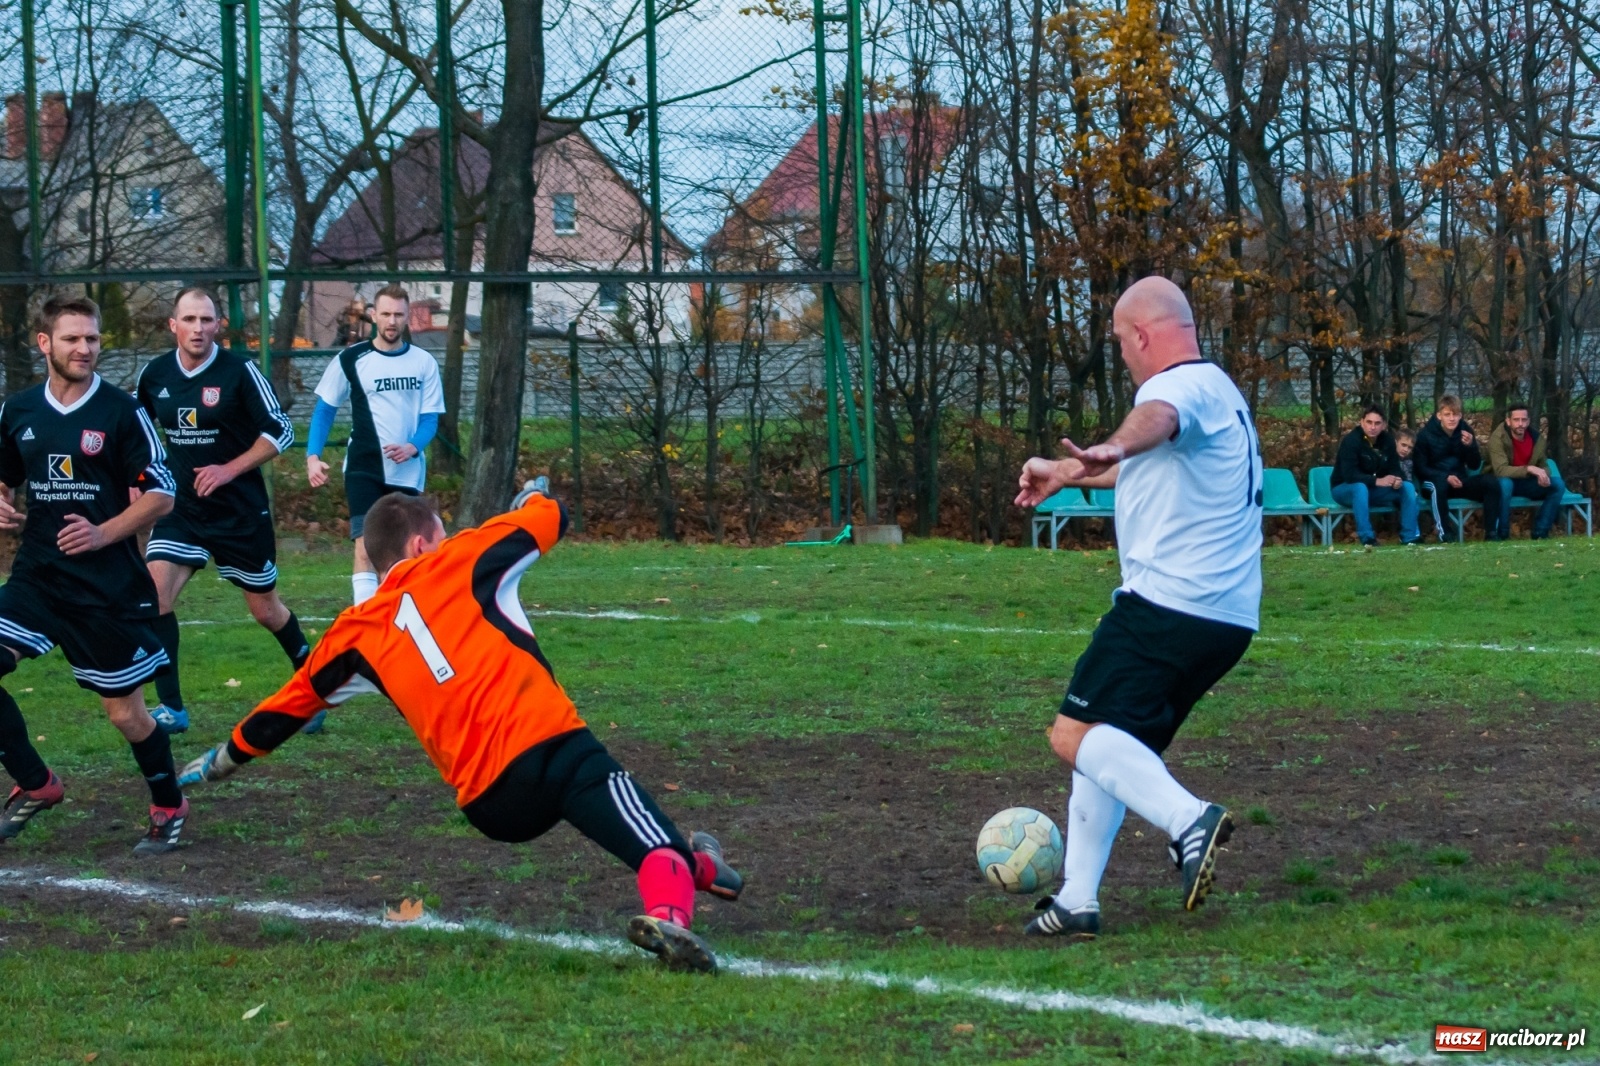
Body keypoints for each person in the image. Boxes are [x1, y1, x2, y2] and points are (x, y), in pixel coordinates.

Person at [178, 489, 742, 973]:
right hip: (549, 746)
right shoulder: (466, 557)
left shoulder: (352, 635)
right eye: (442, 536)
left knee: (641, 828)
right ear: (421, 545)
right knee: (654, 844)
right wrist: (531, 497)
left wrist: (224, 758)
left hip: (490, 804)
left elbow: (284, 710)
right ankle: (670, 915)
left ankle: (705, 866)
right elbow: (553, 515)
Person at [1013, 276, 1260, 939]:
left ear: (1143, 335)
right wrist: (1067, 471)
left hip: (1168, 606)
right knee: (1111, 740)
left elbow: (1156, 422)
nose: (1122, 353)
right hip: (1223, 616)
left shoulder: (1176, 389)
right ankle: (1078, 900)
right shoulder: (1218, 390)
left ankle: (1189, 820)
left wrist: (1117, 442)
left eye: (1121, 340)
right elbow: (1147, 461)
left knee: (1072, 735)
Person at [0, 295, 191, 854]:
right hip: (38, 576)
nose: (84, 348)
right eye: (72, 338)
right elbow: (5, 473)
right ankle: (37, 783)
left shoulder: (121, 411)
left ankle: (169, 802)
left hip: (106, 587)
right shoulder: (18, 410)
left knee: (126, 713)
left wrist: (104, 533)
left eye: (92, 338)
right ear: (45, 344)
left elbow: (163, 494)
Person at [135, 289, 309, 735]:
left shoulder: (240, 372)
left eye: (206, 320)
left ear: (218, 325)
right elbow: (136, 436)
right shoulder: (154, 375)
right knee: (155, 596)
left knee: (266, 611)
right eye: (189, 319)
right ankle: (172, 708)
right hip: (181, 510)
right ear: (173, 325)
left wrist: (229, 469)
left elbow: (281, 430)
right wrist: (137, 483)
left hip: (239, 512)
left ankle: (313, 687)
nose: (198, 328)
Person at [305, 283, 445, 605]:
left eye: (398, 315)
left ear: (408, 317)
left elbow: (430, 420)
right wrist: (313, 456)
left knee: (408, 550)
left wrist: (412, 447)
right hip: (363, 467)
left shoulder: (424, 362)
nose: (392, 321)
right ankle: (365, 618)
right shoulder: (350, 359)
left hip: (407, 471)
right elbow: (324, 410)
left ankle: (403, 615)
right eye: (385, 314)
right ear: (373, 315)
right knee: (365, 546)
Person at [1329, 405, 1421, 546]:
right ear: (1362, 422)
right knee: (1360, 488)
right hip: (1344, 489)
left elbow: (1395, 468)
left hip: (1373, 491)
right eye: (1369, 422)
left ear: (1383, 425)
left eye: (1377, 423)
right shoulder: (1351, 441)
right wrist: (1377, 481)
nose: (1373, 427)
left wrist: (1397, 479)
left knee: (1408, 487)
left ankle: (1409, 537)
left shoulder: (1388, 440)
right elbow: (1349, 475)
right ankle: (1367, 538)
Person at [1414, 395, 1502, 541]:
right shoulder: (1425, 435)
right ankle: (1445, 534)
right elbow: (1420, 468)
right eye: (1447, 414)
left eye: (1455, 414)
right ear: (1439, 416)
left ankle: (1491, 533)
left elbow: (1474, 465)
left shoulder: (1465, 431)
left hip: (1459, 480)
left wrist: (1471, 446)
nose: (1451, 419)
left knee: (1490, 482)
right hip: (1433, 482)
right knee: (1438, 485)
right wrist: (1445, 477)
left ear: (1460, 416)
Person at [1487, 402, 1564, 540]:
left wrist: (1543, 474)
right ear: (1508, 421)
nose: (1520, 424)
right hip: (1501, 483)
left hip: (1526, 483)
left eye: (1524, 420)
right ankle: (1502, 533)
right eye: (1516, 420)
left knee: (1558, 485)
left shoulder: (1536, 439)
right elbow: (1500, 470)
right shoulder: (1498, 437)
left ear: (1528, 421)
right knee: (1505, 484)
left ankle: (1541, 532)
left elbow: (1544, 465)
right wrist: (1529, 468)